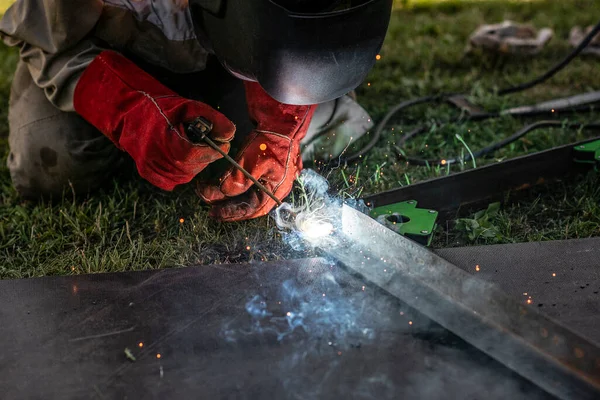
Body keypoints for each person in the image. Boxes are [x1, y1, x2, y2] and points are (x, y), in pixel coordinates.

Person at [0, 0, 392, 221]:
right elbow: (49, 41)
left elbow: (300, 30)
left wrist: (280, 125)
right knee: (50, 162)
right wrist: (131, 114)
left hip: (230, 64)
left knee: (312, 137)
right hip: (99, 57)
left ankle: (317, 108)